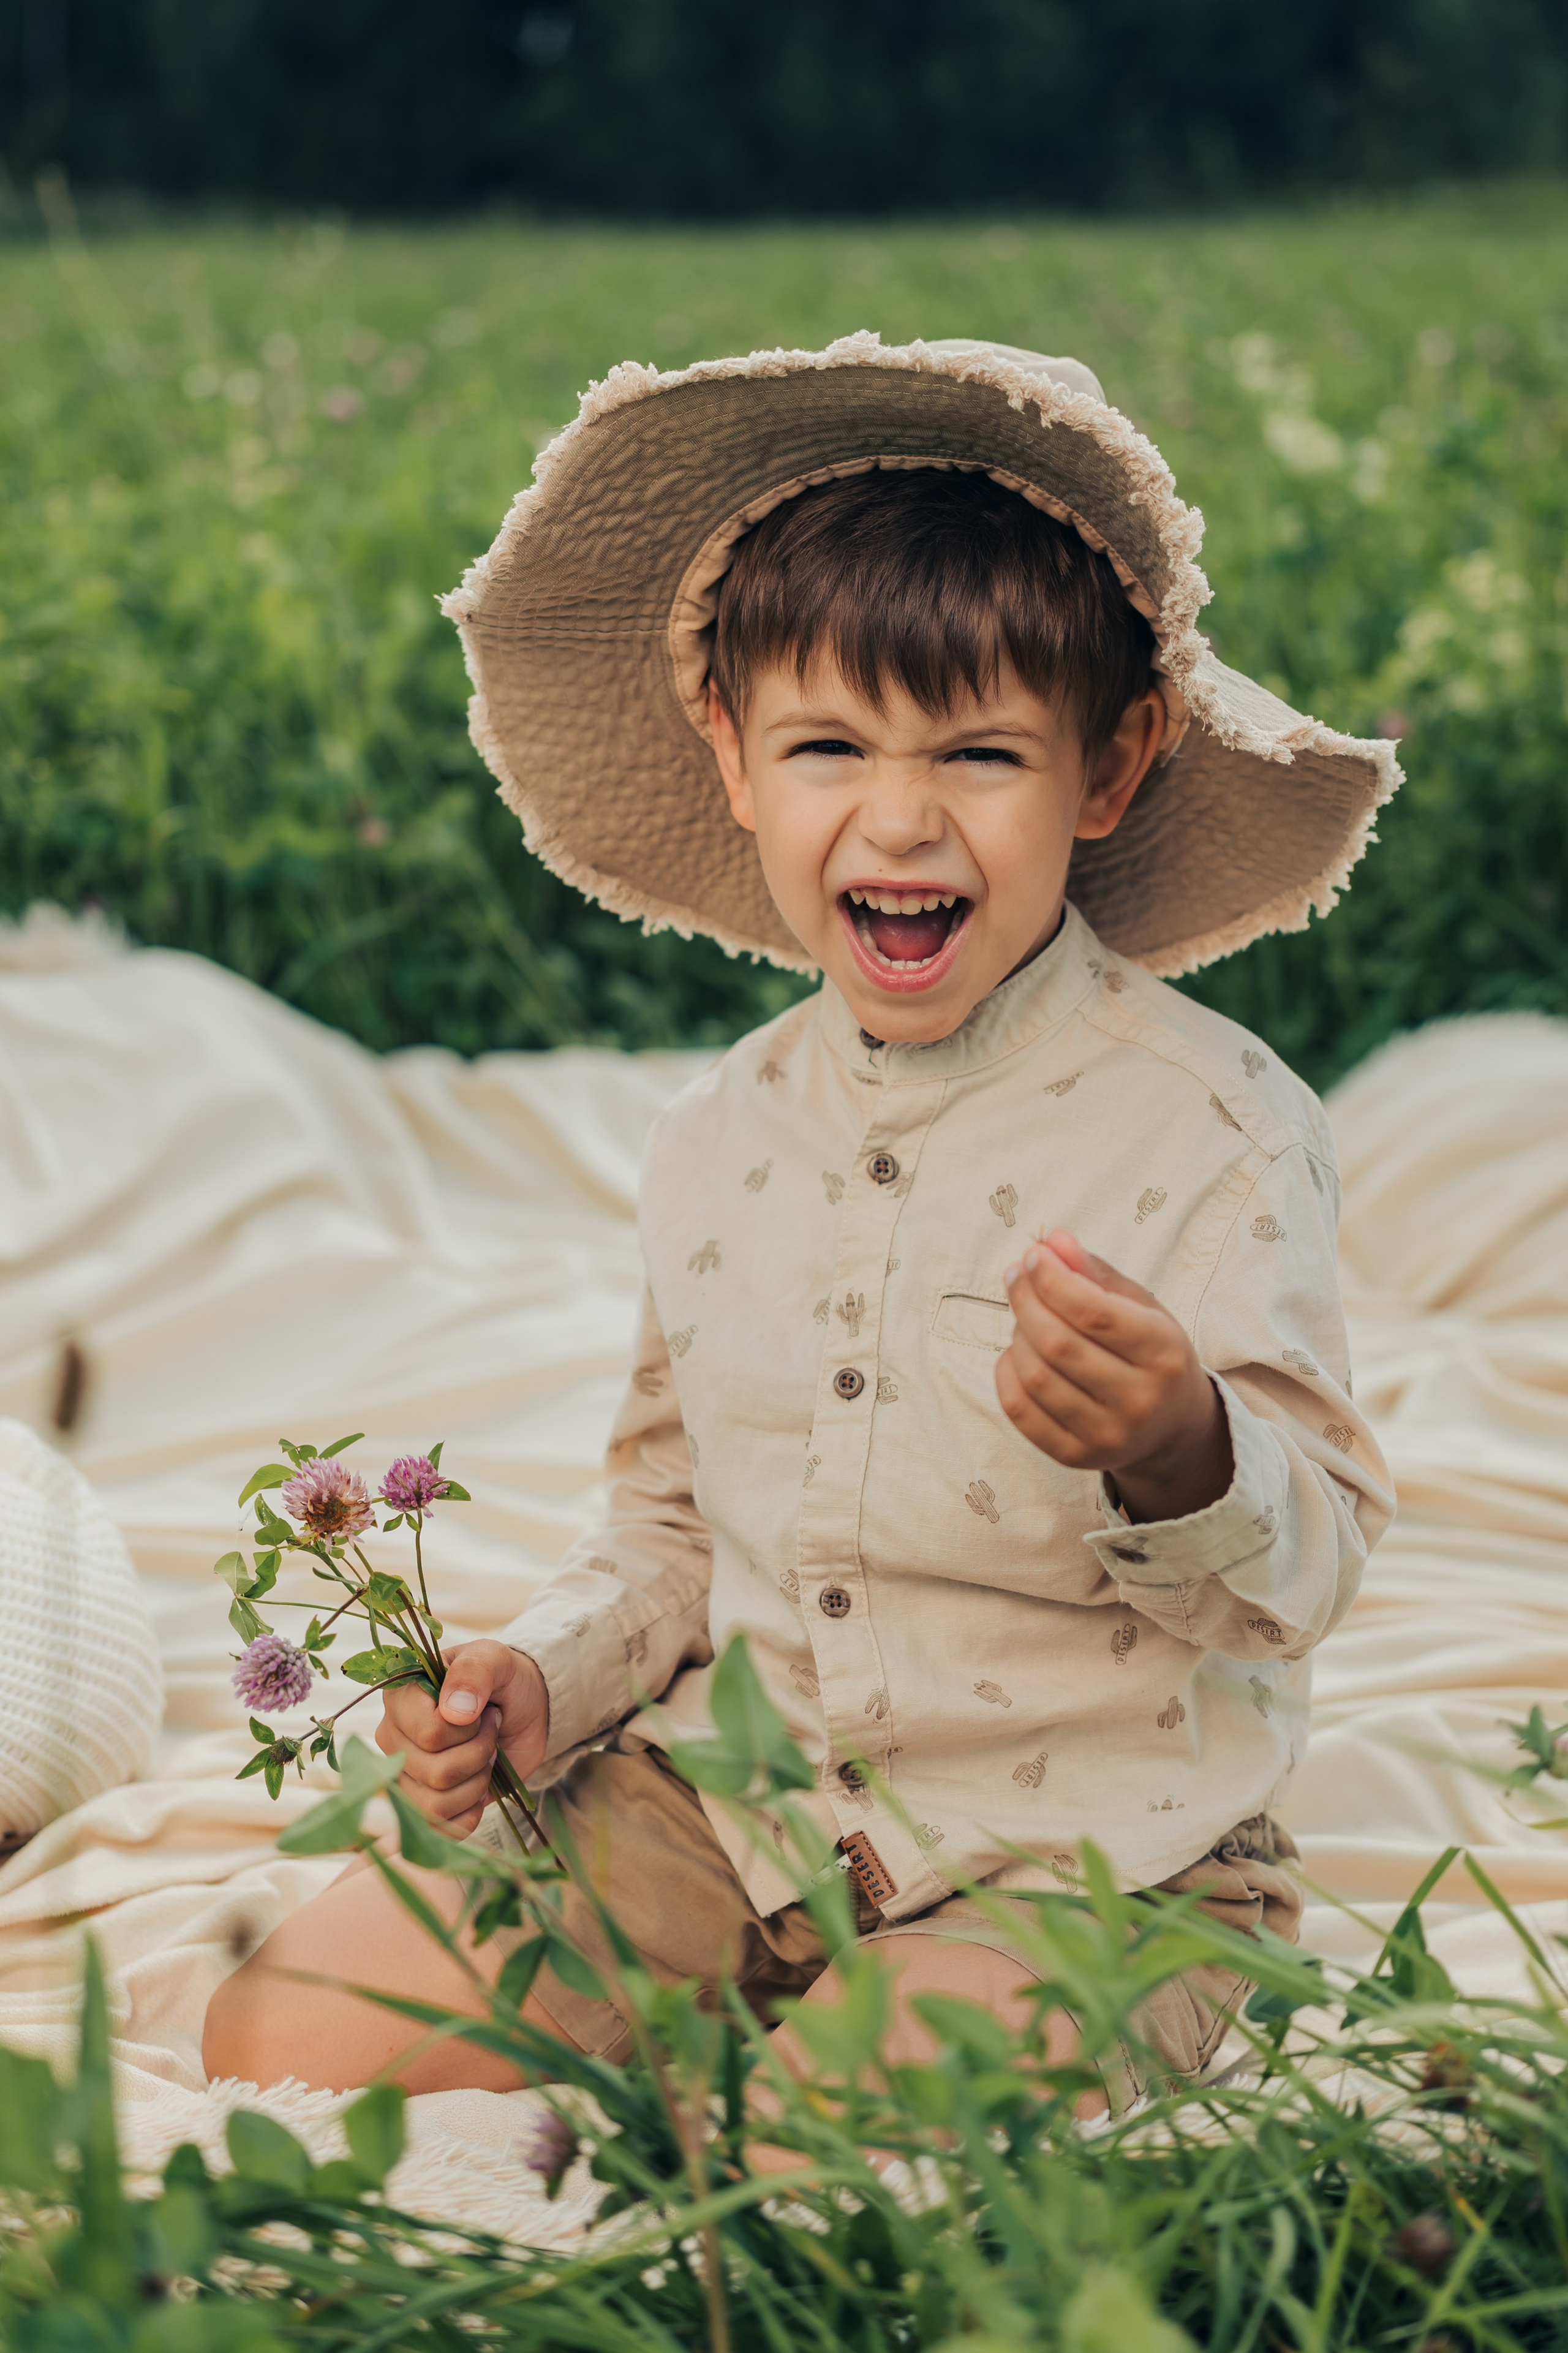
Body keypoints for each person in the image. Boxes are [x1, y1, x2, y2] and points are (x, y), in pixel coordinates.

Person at [204, 334, 1396, 2112]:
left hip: (1083, 1855)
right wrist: (544, 1672)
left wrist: (1179, 1444)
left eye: (982, 752)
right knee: (276, 2035)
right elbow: (674, 1518)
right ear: (734, 755)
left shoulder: (1213, 1131)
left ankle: (914, 2035)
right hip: (733, 1803)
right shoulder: (719, 1135)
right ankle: (744, 1996)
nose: (898, 815)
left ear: (1111, 762)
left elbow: (1308, 1568)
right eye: (828, 742)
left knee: (836, 2147)